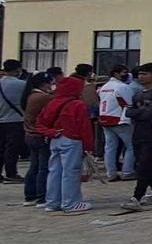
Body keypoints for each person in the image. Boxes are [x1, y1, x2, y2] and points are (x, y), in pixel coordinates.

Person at [36, 73, 95, 214]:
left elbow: (40, 123)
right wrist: (89, 147)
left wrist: (51, 132)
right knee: (71, 172)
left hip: (55, 139)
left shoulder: (52, 102)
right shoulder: (78, 104)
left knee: (54, 171)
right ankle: (71, 203)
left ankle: (52, 202)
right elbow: (85, 128)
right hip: (72, 140)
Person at [121, 63, 152, 211]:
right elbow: (128, 112)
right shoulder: (138, 93)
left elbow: (151, 113)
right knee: (144, 164)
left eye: (145, 74)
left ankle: (137, 196)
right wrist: (140, 112)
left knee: (144, 164)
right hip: (138, 131)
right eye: (140, 74)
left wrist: (139, 112)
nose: (141, 77)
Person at [97, 64, 137, 182]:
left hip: (104, 118)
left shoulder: (104, 87)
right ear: (116, 73)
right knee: (131, 146)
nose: (126, 75)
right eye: (123, 72)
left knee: (110, 147)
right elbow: (130, 103)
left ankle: (111, 173)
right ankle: (127, 171)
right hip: (120, 119)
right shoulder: (122, 87)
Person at [21, 72, 54, 206]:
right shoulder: (43, 97)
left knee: (34, 166)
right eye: (50, 84)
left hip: (30, 135)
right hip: (40, 136)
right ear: (44, 84)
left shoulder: (30, 96)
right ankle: (42, 196)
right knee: (43, 167)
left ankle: (30, 195)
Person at [0, 59, 27, 183]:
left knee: (0, 148)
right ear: (18, 70)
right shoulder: (22, 84)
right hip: (15, 120)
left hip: (1, 119)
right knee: (12, 148)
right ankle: (11, 173)